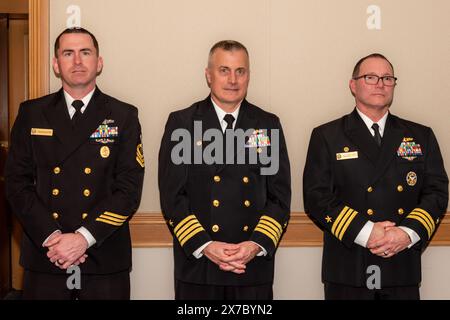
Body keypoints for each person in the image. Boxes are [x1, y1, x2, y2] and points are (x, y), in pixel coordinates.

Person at [5, 27, 145, 300]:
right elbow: (16, 183)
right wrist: (53, 238)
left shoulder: (123, 115)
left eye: (85, 52)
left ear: (99, 62)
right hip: (46, 254)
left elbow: (129, 189)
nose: (77, 61)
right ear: (56, 65)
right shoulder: (32, 113)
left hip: (103, 255)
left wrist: (82, 238)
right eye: (68, 53)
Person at [303, 53, 448, 300]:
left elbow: (436, 192)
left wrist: (407, 233)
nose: (380, 84)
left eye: (387, 78)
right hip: (349, 270)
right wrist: (366, 232)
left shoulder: (420, 135)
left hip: (401, 266)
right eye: (370, 77)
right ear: (353, 85)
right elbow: (316, 197)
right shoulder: (327, 136)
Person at [158, 40, 291, 300]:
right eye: (224, 70)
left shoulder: (267, 123)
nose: (233, 79)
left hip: (251, 267)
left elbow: (280, 197)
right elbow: (172, 196)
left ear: (248, 76)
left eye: (240, 71)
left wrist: (254, 245)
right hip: (198, 266)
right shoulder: (182, 123)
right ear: (208, 75)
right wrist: (205, 245)